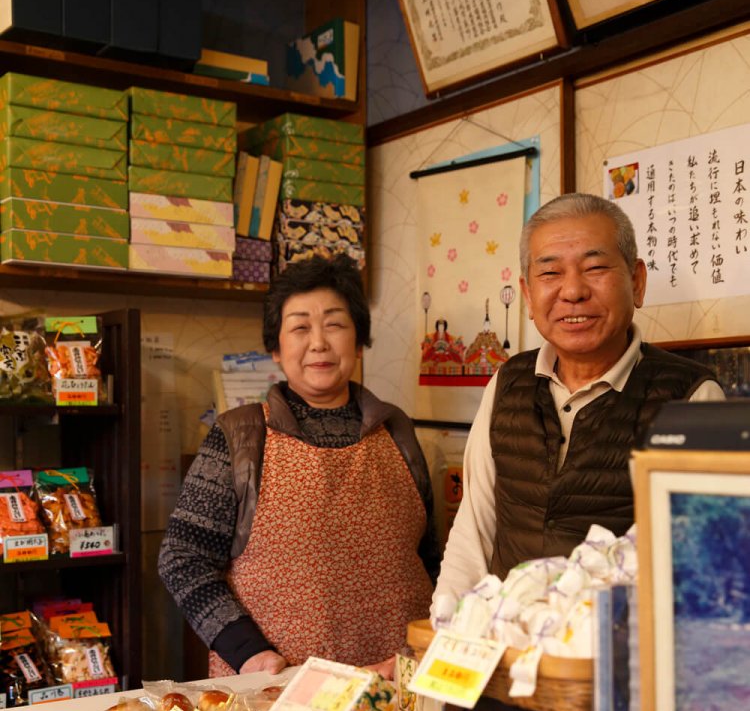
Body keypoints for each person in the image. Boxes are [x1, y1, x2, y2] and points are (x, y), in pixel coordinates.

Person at [433, 192, 725, 605]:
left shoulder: (693, 398)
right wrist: (446, 633)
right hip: (505, 647)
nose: (572, 291)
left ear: (637, 282)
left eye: (595, 268)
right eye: (550, 273)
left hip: (614, 656)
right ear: (528, 295)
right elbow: (473, 529)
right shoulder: (507, 381)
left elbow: (703, 563)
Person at [159, 253, 439, 679]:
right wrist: (249, 653)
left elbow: (430, 556)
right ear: (276, 348)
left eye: (335, 324)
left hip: (397, 686)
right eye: (300, 328)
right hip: (282, 692)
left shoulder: (397, 430)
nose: (319, 343)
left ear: (359, 341)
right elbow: (183, 558)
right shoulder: (240, 436)